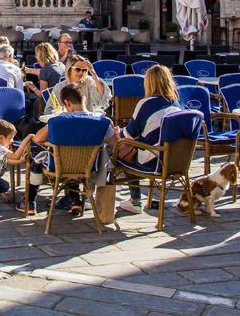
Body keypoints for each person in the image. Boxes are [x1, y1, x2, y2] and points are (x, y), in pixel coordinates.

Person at [20, 82, 118, 215]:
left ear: (67, 103)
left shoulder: (57, 121)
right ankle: (75, 201)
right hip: (90, 167)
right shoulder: (102, 121)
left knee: (38, 158)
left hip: (60, 166)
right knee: (74, 159)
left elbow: (37, 139)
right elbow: (114, 142)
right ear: (84, 99)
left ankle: (30, 201)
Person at [115, 65, 179, 213]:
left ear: (149, 83)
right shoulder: (177, 104)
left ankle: (135, 200)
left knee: (119, 150)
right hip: (175, 160)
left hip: (153, 161)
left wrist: (118, 132)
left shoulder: (146, 104)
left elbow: (128, 135)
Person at [42, 54, 112, 114]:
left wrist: (93, 72)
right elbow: (48, 111)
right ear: (69, 69)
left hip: (86, 122)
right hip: (66, 123)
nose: (81, 72)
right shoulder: (59, 87)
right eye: (78, 69)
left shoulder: (88, 82)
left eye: (84, 70)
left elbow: (101, 96)